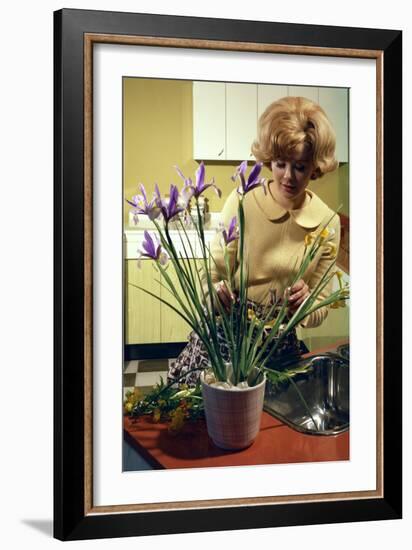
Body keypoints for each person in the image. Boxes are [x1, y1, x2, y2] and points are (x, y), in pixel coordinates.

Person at [167, 96, 341, 386]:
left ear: (315, 166)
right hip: (224, 340)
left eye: (299, 166)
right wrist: (215, 294)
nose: (287, 177)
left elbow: (321, 306)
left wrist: (307, 303)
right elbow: (210, 275)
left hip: (278, 348)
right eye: (279, 163)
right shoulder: (242, 202)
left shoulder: (327, 223)